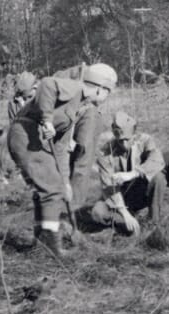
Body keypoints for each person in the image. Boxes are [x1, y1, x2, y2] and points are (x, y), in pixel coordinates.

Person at [8, 63, 117, 256]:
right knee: (51, 190)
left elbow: (59, 150)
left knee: (54, 187)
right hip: (25, 134)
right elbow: (46, 84)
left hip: (35, 138)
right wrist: (48, 119)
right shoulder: (75, 88)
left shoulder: (77, 108)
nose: (106, 98)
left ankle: (42, 241)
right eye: (108, 92)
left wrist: (65, 181)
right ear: (100, 88)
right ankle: (51, 247)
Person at [76, 112, 164, 235]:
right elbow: (108, 187)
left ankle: (153, 222)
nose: (124, 144)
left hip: (139, 192)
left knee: (159, 177)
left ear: (134, 134)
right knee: (98, 213)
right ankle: (126, 222)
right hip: (118, 196)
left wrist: (134, 173)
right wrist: (124, 213)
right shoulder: (105, 151)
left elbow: (157, 160)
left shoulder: (145, 140)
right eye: (120, 140)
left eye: (127, 139)